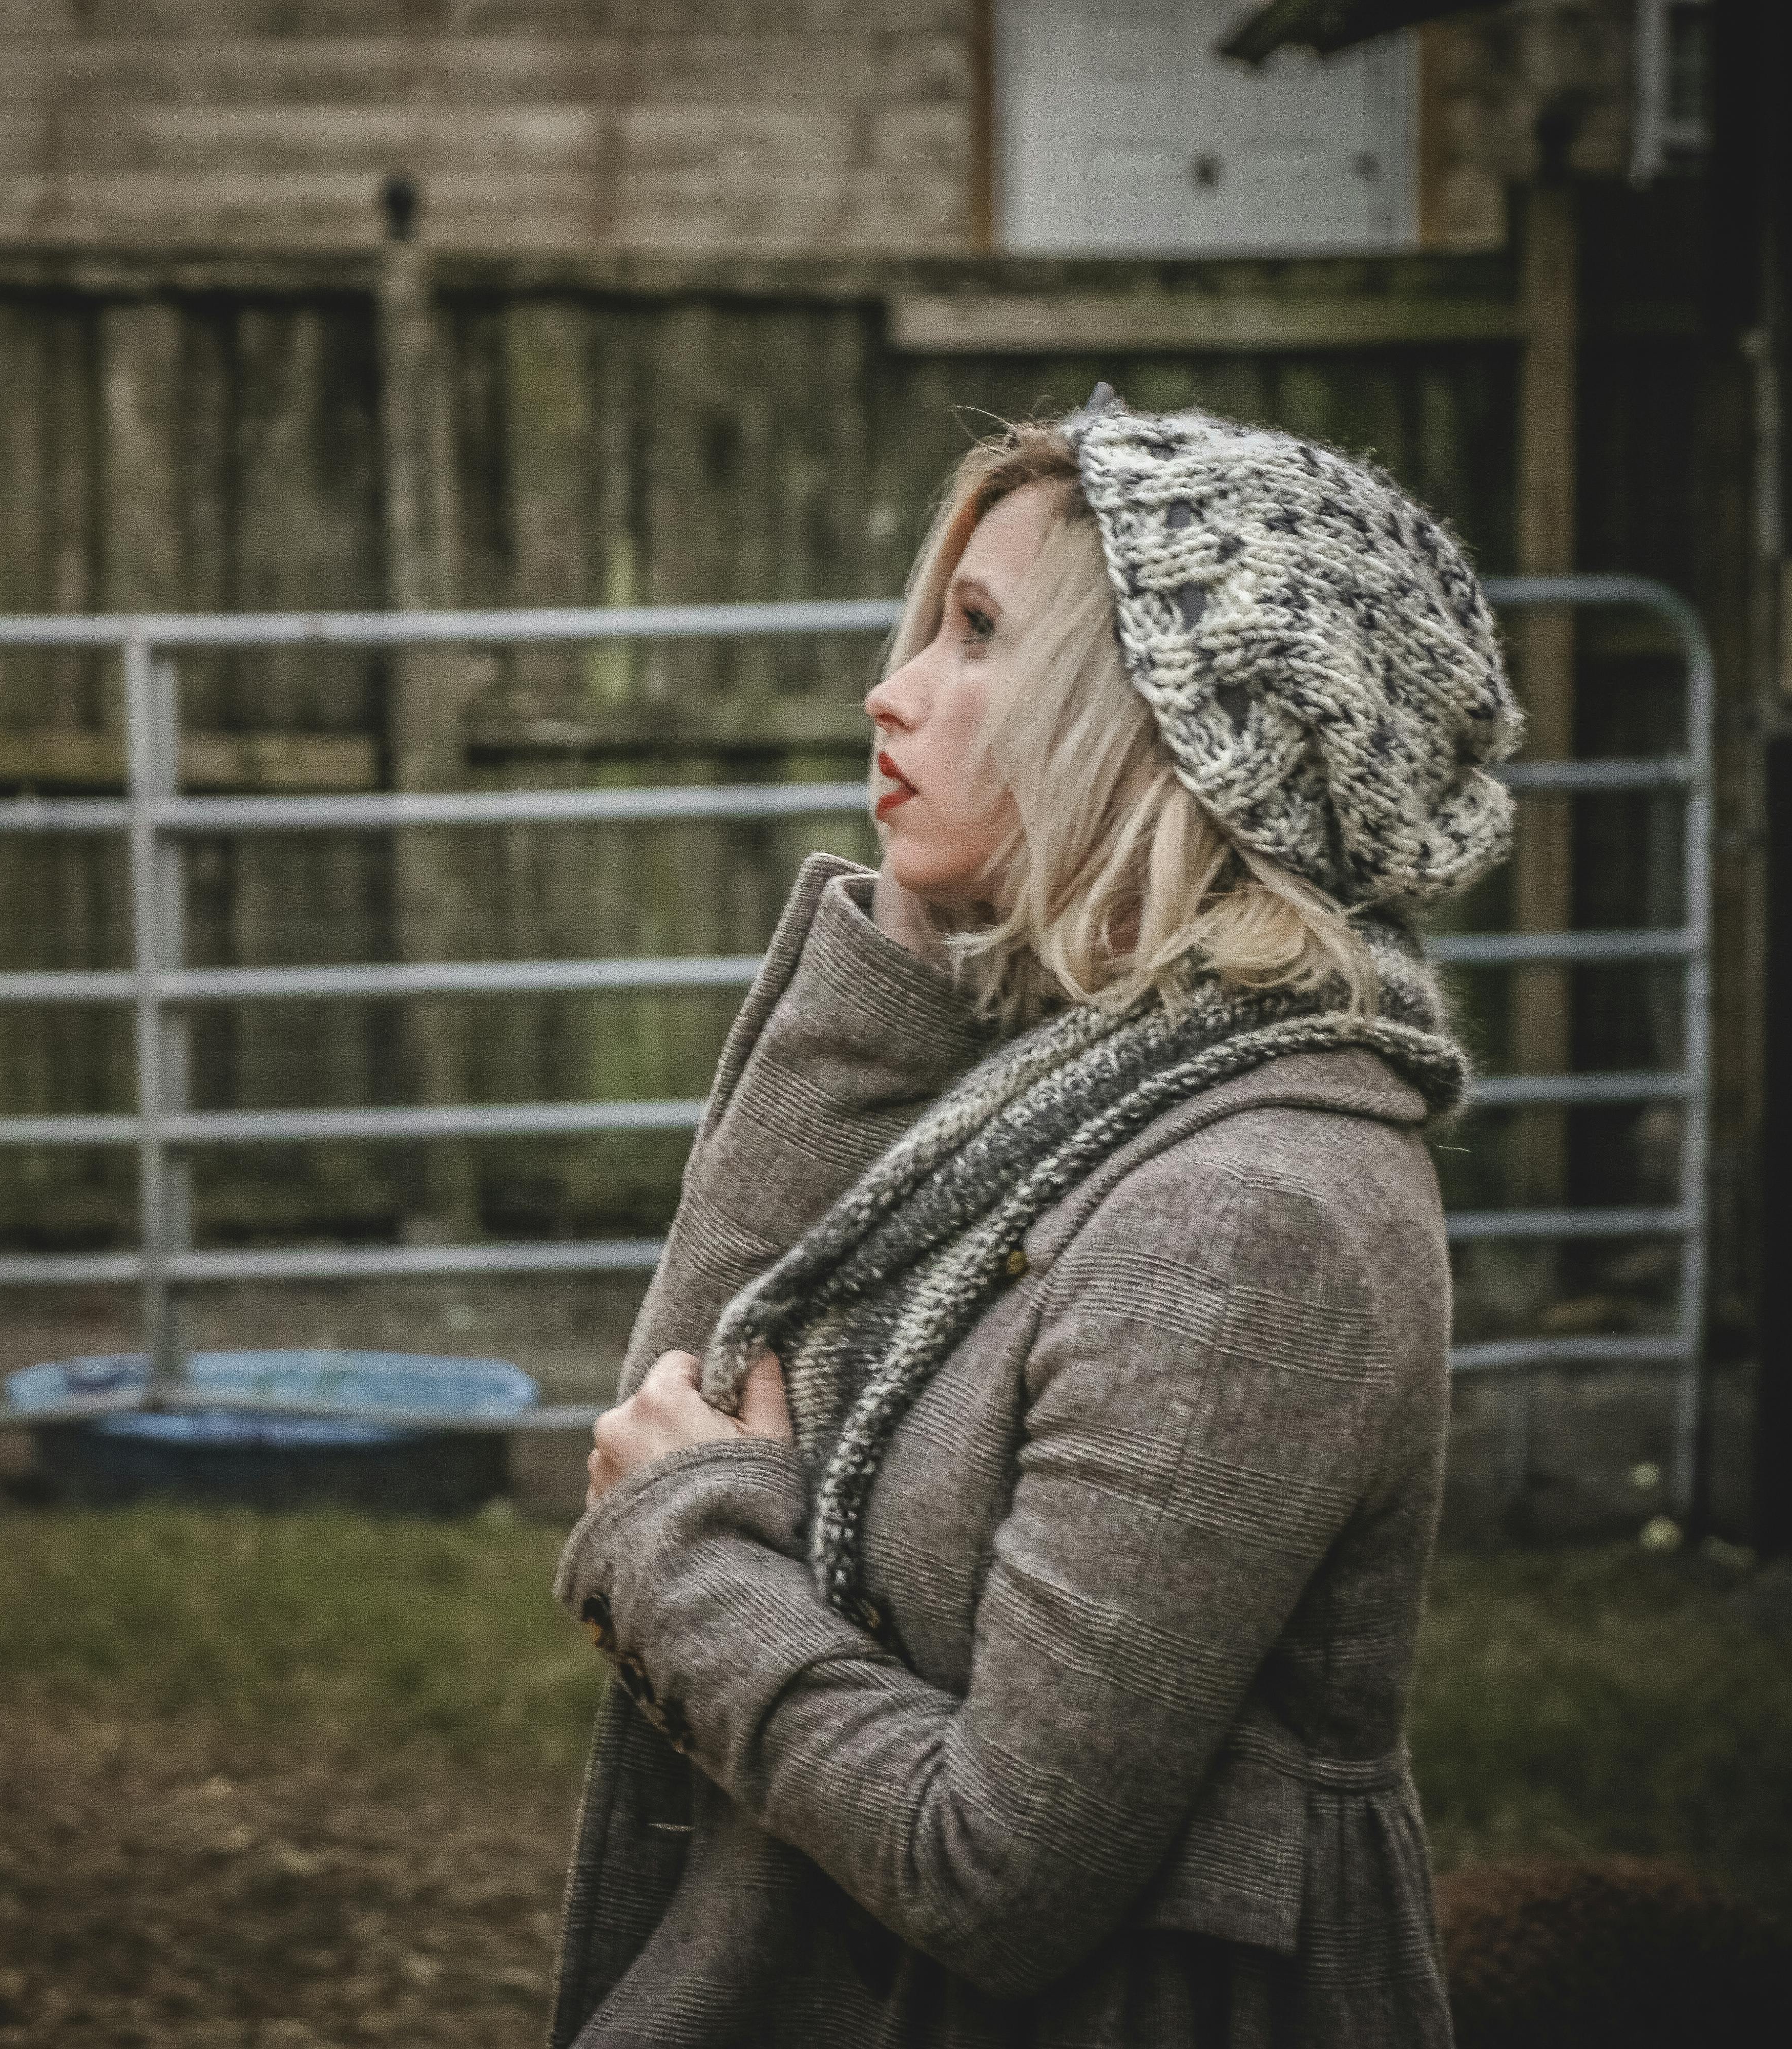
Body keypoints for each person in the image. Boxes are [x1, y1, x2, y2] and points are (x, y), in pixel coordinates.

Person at [548, 399, 1522, 2049]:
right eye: (936, 626)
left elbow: (998, 1871)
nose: (894, 689)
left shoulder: (1241, 1218)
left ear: (1164, 734)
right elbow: (678, 1403)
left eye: (983, 636)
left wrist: (695, 1556)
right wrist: (903, 962)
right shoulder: (1071, 1098)